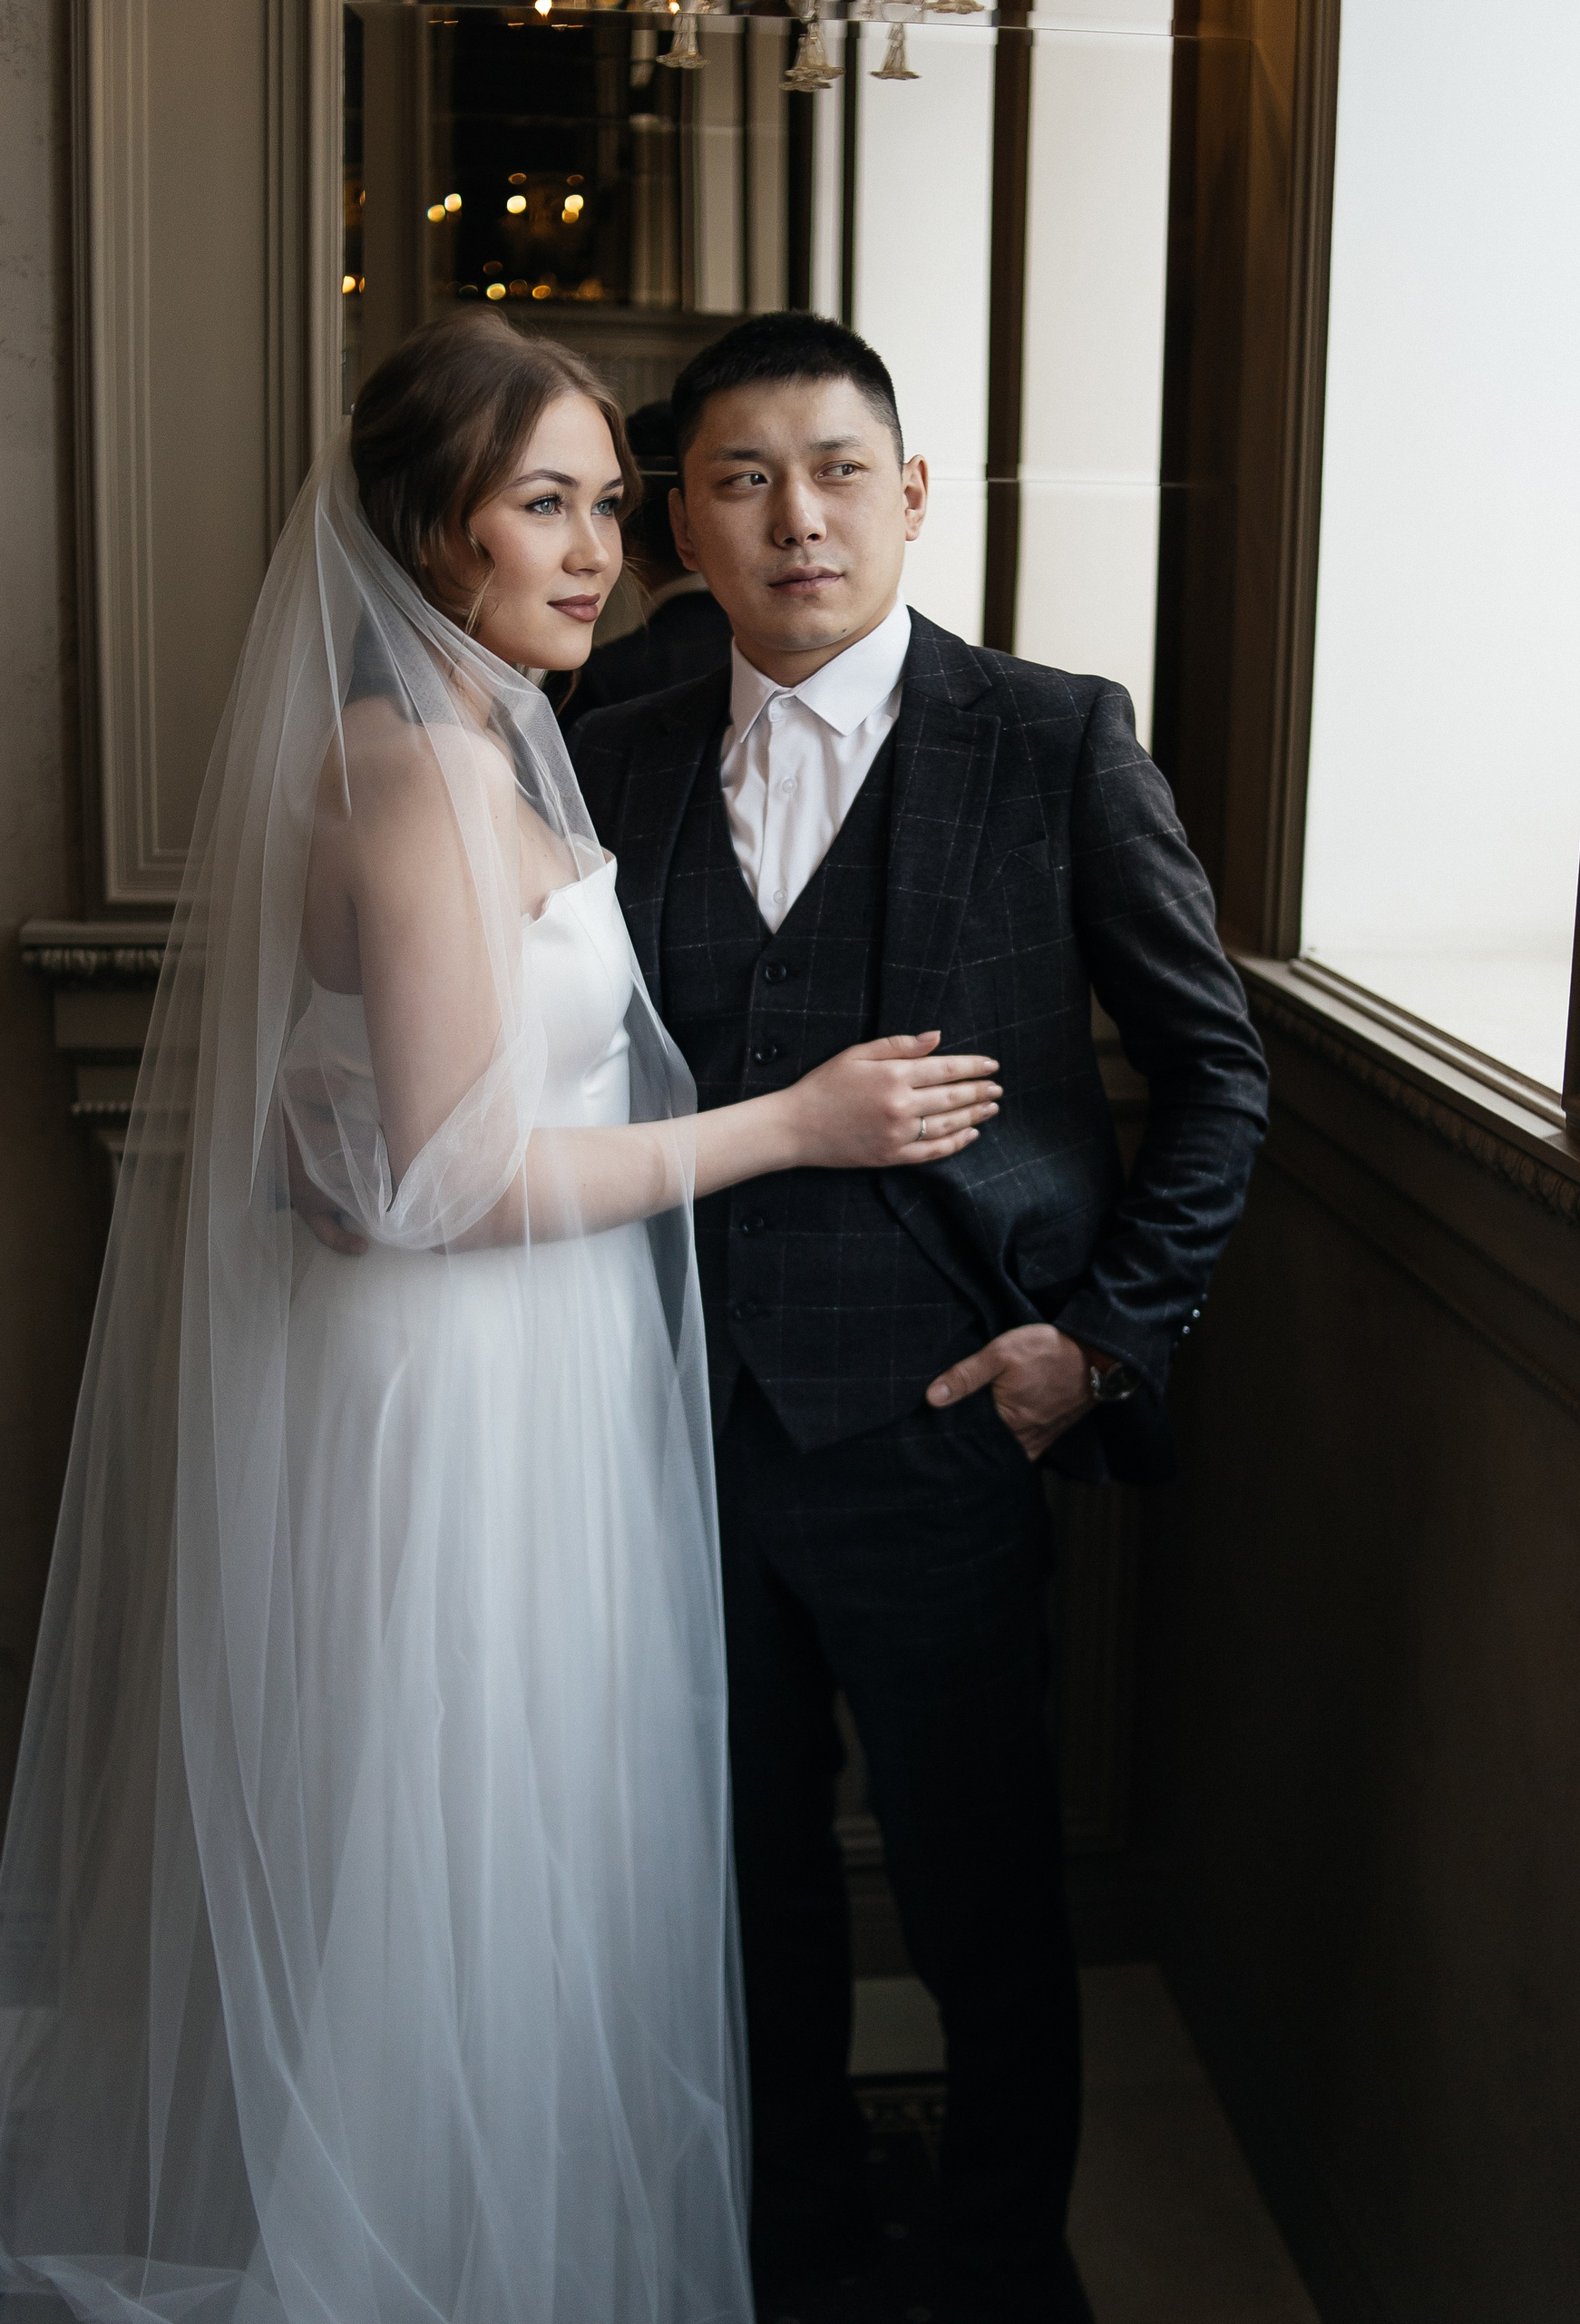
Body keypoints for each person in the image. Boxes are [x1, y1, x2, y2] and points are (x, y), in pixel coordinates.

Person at [0, 311, 1003, 2324]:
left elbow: (375, 1110)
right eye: (543, 506)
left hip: (534, 1367)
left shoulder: (489, 742)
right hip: (455, 1388)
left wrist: (344, 1142)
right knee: (443, 1833)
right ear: (427, 529)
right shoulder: (413, 777)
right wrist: (792, 1124)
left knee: (528, 1838)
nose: (596, 552)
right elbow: (456, 1183)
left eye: (609, 505)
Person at [565, 312, 1271, 2324]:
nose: (798, 518)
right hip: (667, 1430)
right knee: (734, 1892)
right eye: (742, 481)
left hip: (950, 1428)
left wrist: (1099, 1345)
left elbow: (1218, 1075)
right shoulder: (605, 742)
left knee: (982, 1899)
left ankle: (998, 2266)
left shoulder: (1054, 740)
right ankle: (783, 2249)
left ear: (913, 496)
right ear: (682, 527)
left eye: (838, 472)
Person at [557, 397, 733, 716]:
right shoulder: (777, 662)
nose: (595, 555)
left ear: (627, 532)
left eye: (606, 506)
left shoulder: (595, 680)